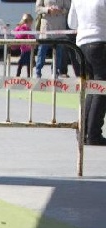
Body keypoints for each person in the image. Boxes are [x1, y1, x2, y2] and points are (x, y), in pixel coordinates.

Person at [68, 0, 106, 145]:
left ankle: (83, 131)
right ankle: (94, 133)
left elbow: (72, 23)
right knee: (101, 88)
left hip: (81, 45)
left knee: (91, 87)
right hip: (100, 41)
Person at [34, 0, 71, 78]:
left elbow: (69, 8)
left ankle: (55, 72)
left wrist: (60, 10)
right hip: (46, 28)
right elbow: (37, 8)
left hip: (60, 28)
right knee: (42, 51)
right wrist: (48, 10)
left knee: (58, 53)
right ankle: (38, 72)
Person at [14, 13, 35, 78]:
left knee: (28, 63)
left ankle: (27, 76)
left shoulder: (27, 29)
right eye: (30, 22)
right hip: (25, 49)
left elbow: (31, 36)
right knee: (22, 63)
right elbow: (19, 36)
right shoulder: (24, 28)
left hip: (27, 49)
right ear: (27, 21)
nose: (31, 24)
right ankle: (18, 75)